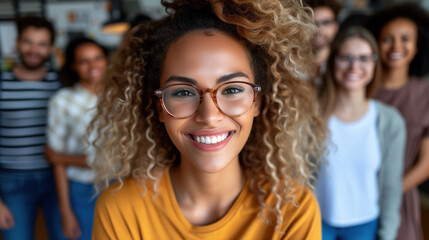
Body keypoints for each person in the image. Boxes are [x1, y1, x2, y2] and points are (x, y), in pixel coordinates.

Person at [91, 0, 327, 239]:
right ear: (159, 107)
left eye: (232, 90)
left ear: (257, 102)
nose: (209, 116)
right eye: (183, 92)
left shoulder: (293, 210)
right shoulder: (121, 210)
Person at [316, 26, 405, 240]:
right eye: (346, 57)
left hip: (365, 226)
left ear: (375, 63)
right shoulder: (312, 116)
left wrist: (387, 234)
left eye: (364, 58)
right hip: (317, 221)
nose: (354, 66)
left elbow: (391, 188)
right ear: (333, 62)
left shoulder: (390, 122)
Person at [364, 3, 429, 240]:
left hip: (401, 196)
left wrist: (388, 194)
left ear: (417, 44)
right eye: (387, 39)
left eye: (405, 39)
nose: (396, 46)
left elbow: (426, 164)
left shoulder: (425, 94)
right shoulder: (361, 90)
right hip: (356, 196)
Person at [0, 16, 65, 239]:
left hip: (57, 179)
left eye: (41, 43)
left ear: (51, 48)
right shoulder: (2, 83)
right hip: (11, 182)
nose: (33, 49)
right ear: (17, 43)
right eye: (28, 42)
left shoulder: (61, 85)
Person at [45, 37, 108, 240]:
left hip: (119, 184)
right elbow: (56, 159)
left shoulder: (119, 96)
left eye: (97, 58)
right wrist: (65, 212)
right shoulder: (62, 101)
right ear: (73, 65)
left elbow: (58, 158)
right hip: (82, 190)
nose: (93, 66)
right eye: (84, 61)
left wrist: (61, 158)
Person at [306, 0, 341, 83]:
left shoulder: (342, 64)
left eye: (326, 22)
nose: (319, 28)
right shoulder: (290, 64)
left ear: (336, 27)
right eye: (313, 22)